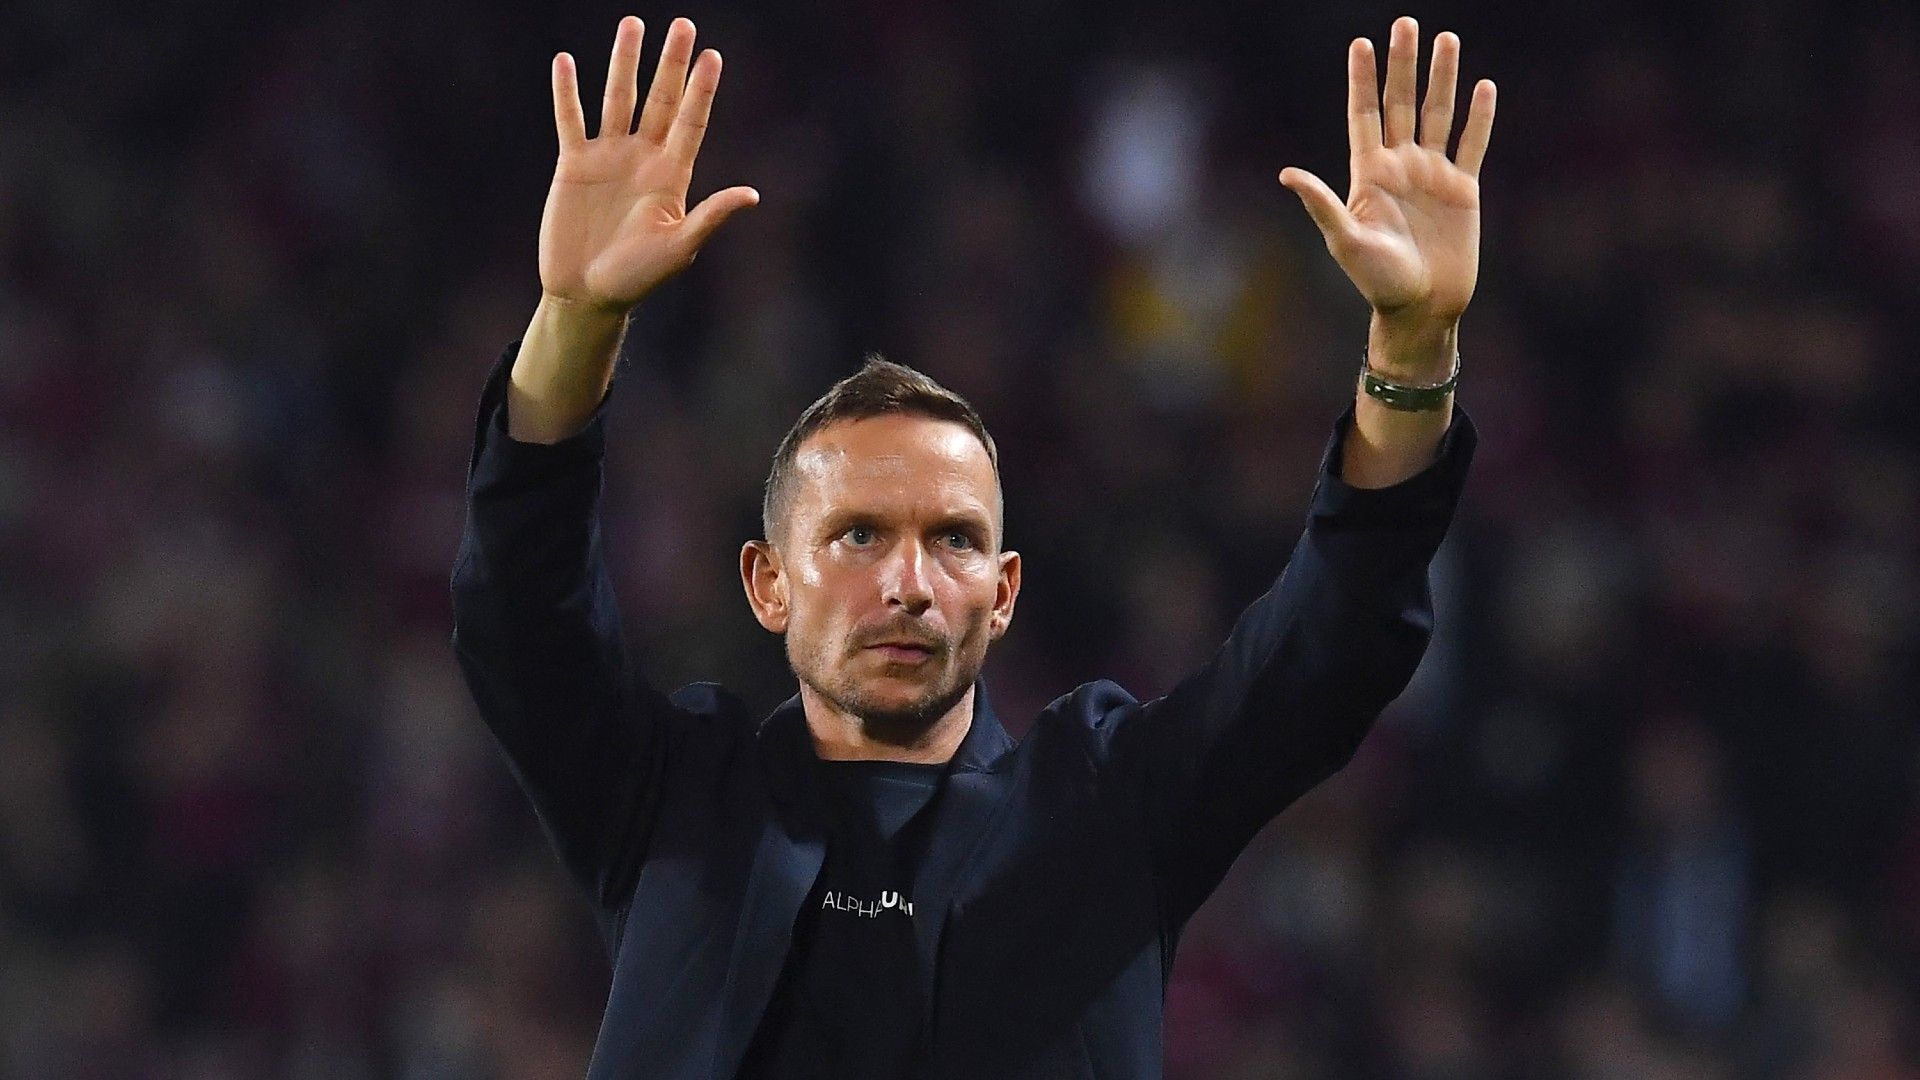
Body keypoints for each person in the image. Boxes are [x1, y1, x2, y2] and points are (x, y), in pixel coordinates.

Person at [450, 12, 1493, 1078]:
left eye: (952, 541)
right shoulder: (673, 802)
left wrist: (1411, 349)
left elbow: (1329, 643)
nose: (907, 582)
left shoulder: (1103, 811)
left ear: (1002, 595)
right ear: (767, 583)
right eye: (857, 534)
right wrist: (574, 319)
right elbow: (521, 611)